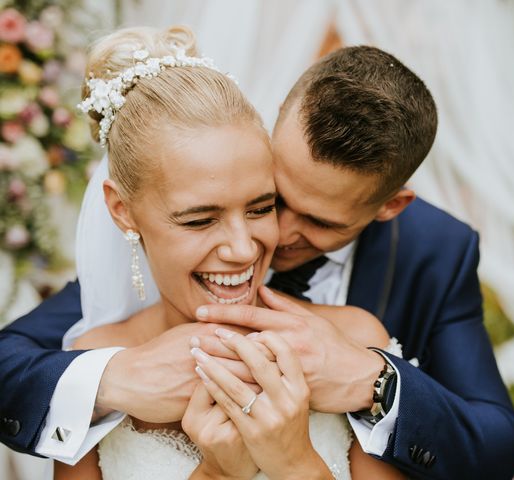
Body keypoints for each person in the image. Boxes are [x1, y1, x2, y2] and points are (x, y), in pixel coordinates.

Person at [0, 32, 514, 480]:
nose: (262, 241)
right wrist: (116, 380)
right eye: (276, 197)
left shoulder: (431, 258)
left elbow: (495, 443)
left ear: (390, 207)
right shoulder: (112, 332)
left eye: (317, 221)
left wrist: (371, 383)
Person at [48, 25, 407, 479]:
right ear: (123, 211)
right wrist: (217, 473)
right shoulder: (94, 368)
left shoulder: (353, 343)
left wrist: (295, 462)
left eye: (261, 207)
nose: (243, 250)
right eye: (200, 219)